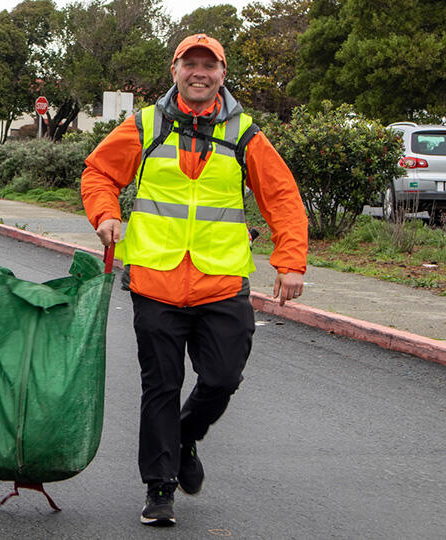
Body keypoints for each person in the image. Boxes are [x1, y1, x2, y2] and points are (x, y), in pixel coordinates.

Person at [79, 34, 308, 527]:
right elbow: (99, 172)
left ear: (222, 74)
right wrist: (104, 215)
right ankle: (159, 488)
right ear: (175, 70)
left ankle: (186, 435)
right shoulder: (144, 125)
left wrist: (290, 262)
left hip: (222, 282)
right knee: (160, 385)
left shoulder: (244, 133)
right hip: (155, 282)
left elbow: (282, 197)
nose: (199, 72)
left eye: (209, 65)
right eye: (190, 64)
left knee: (224, 377)